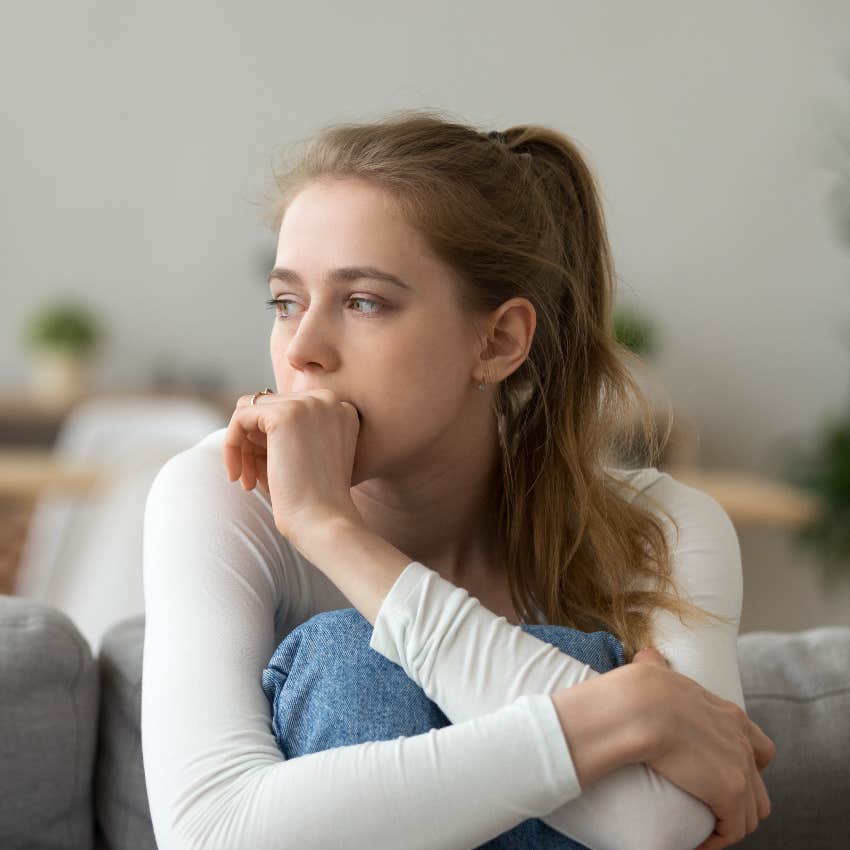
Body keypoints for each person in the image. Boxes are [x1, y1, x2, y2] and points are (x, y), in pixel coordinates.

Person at [141, 109, 775, 850]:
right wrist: (618, 714)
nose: (303, 349)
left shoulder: (663, 529)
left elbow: (663, 825)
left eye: (363, 301)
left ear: (499, 340)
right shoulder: (221, 496)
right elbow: (211, 835)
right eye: (287, 303)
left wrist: (342, 539)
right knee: (349, 661)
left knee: (547, 665)